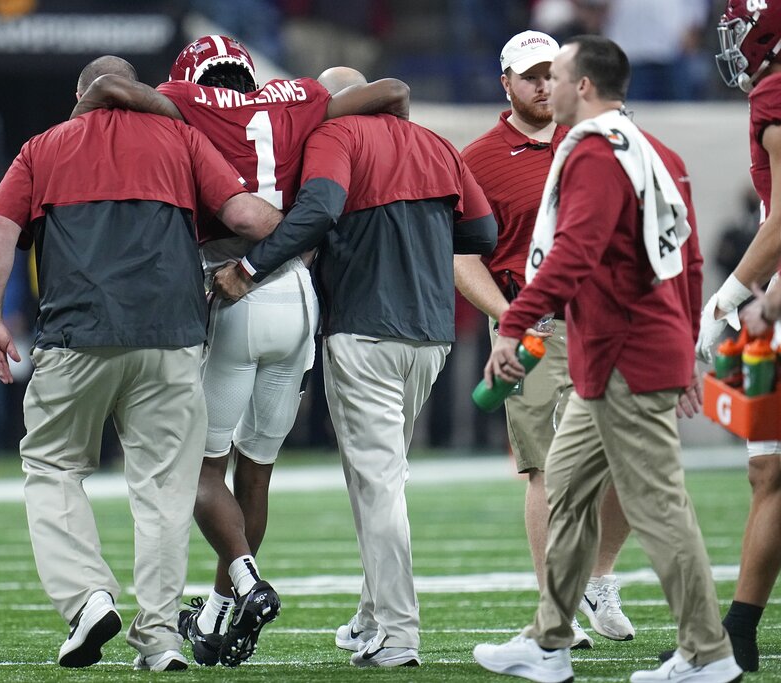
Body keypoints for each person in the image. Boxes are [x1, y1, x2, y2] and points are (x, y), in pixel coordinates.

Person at [72, 35, 410, 667]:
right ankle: (225, 611)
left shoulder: (183, 98)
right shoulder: (298, 98)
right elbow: (392, 92)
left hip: (234, 287)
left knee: (200, 470)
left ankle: (246, 581)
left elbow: (114, 87)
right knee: (257, 470)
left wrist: (75, 126)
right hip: (298, 291)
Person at [0, 55, 284, 673]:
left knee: (53, 464)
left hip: (76, 335)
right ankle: (162, 637)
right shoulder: (180, 136)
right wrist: (307, 229)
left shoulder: (43, 148)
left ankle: (88, 597)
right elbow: (247, 217)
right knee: (166, 489)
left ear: (80, 93)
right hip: (171, 338)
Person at [471, 36, 741, 683]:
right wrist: (686, 351)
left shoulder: (594, 153)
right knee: (562, 486)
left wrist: (512, 322)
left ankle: (708, 652)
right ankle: (549, 638)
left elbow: (574, 254)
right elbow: (689, 261)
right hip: (623, 355)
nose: (550, 87)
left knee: (657, 505)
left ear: (584, 86)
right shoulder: (658, 152)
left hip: (622, 357)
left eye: (558, 75)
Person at [215, 66, 498, 668]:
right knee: (384, 479)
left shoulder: (336, 136)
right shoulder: (437, 143)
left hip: (365, 327)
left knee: (377, 485)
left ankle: (398, 633)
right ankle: (373, 615)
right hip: (430, 335)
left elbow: (320, 206)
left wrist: (252, 268)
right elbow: (482, 231)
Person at [456, 29, 634, 649]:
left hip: (602, 316)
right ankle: (551, 612)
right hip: (530, 323)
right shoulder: (478, 158)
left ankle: (600, 577)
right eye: (528, 74)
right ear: (505, 81)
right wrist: (510, 314)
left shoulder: (593, 140)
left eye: (549, 73)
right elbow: (460, 255)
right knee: (543, 467)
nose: (540, 84)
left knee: (626, 452)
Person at [691, 2, 781, 672]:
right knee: (767, 469)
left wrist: (726, 302)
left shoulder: (775, 90)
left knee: (770, 469)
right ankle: (740, 631)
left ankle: (737, 633)